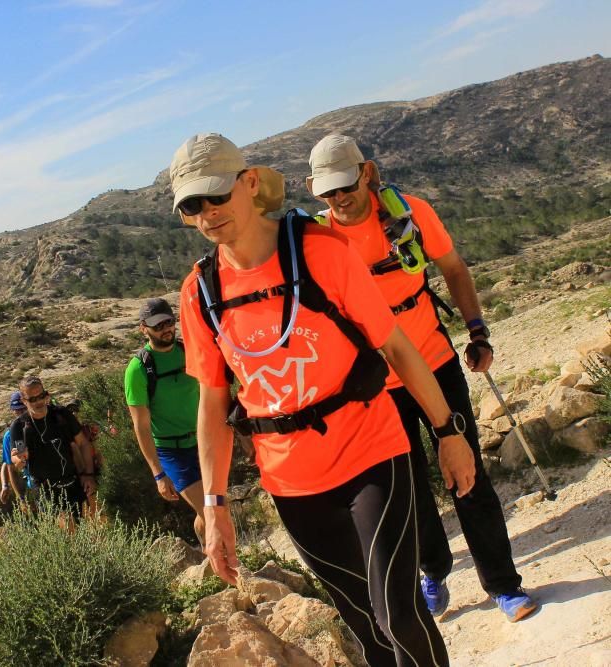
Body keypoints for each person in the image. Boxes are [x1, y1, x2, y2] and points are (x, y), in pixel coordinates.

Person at [171, 132, 476, 666]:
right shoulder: (201, 293)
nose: (207, 213)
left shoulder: (320, 254)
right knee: (364, 625)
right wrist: (215, 506)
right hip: (292, 481)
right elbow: (213, 405)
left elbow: (397, 349)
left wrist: (449, 433)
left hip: (371, 451)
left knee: (395, 612)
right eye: (192, 205)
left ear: (248, 184)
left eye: (216, 195)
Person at [306, 133, 536, 622]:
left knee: (466, 473)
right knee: (408, 487)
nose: (339, 198)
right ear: (313, 190)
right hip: (376, 383)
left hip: (432, 360)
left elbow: (453, 269)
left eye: (345, 185)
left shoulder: (411, 214)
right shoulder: (319, 241)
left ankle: (502, 584)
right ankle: (435, 570)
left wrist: (477, 332)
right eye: (327, 192)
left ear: (366, 172)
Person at [123, 297, 205, 545]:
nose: (165, 329)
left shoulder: (189, 351)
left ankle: (207, 557)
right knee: (212, 509)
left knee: (211, 509)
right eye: (157, 326)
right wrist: (158, 474)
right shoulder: (138, 370)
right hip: (171, 452)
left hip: (203, 443)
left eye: (169, 322)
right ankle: (231, 568)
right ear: (143, 329)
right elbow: (141, 425)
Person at [9, 376, 96, 520]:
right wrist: (20, 459)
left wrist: (89, 475)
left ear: (46, 395)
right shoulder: (19, 426)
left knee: (88, 528)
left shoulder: (61, 415)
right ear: (24, 401)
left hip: (73, 483)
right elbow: (16, 462)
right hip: (45, 490)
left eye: (41, 396)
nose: (38, 402)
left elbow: (83, 443)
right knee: (66, 529)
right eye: (32, 399)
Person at [0, 391, 28, 506]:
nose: (20, 413)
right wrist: (20, 499)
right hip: (33, 481)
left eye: (23, 409)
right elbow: (8, 465)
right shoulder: (9, 436)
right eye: (17, 410)